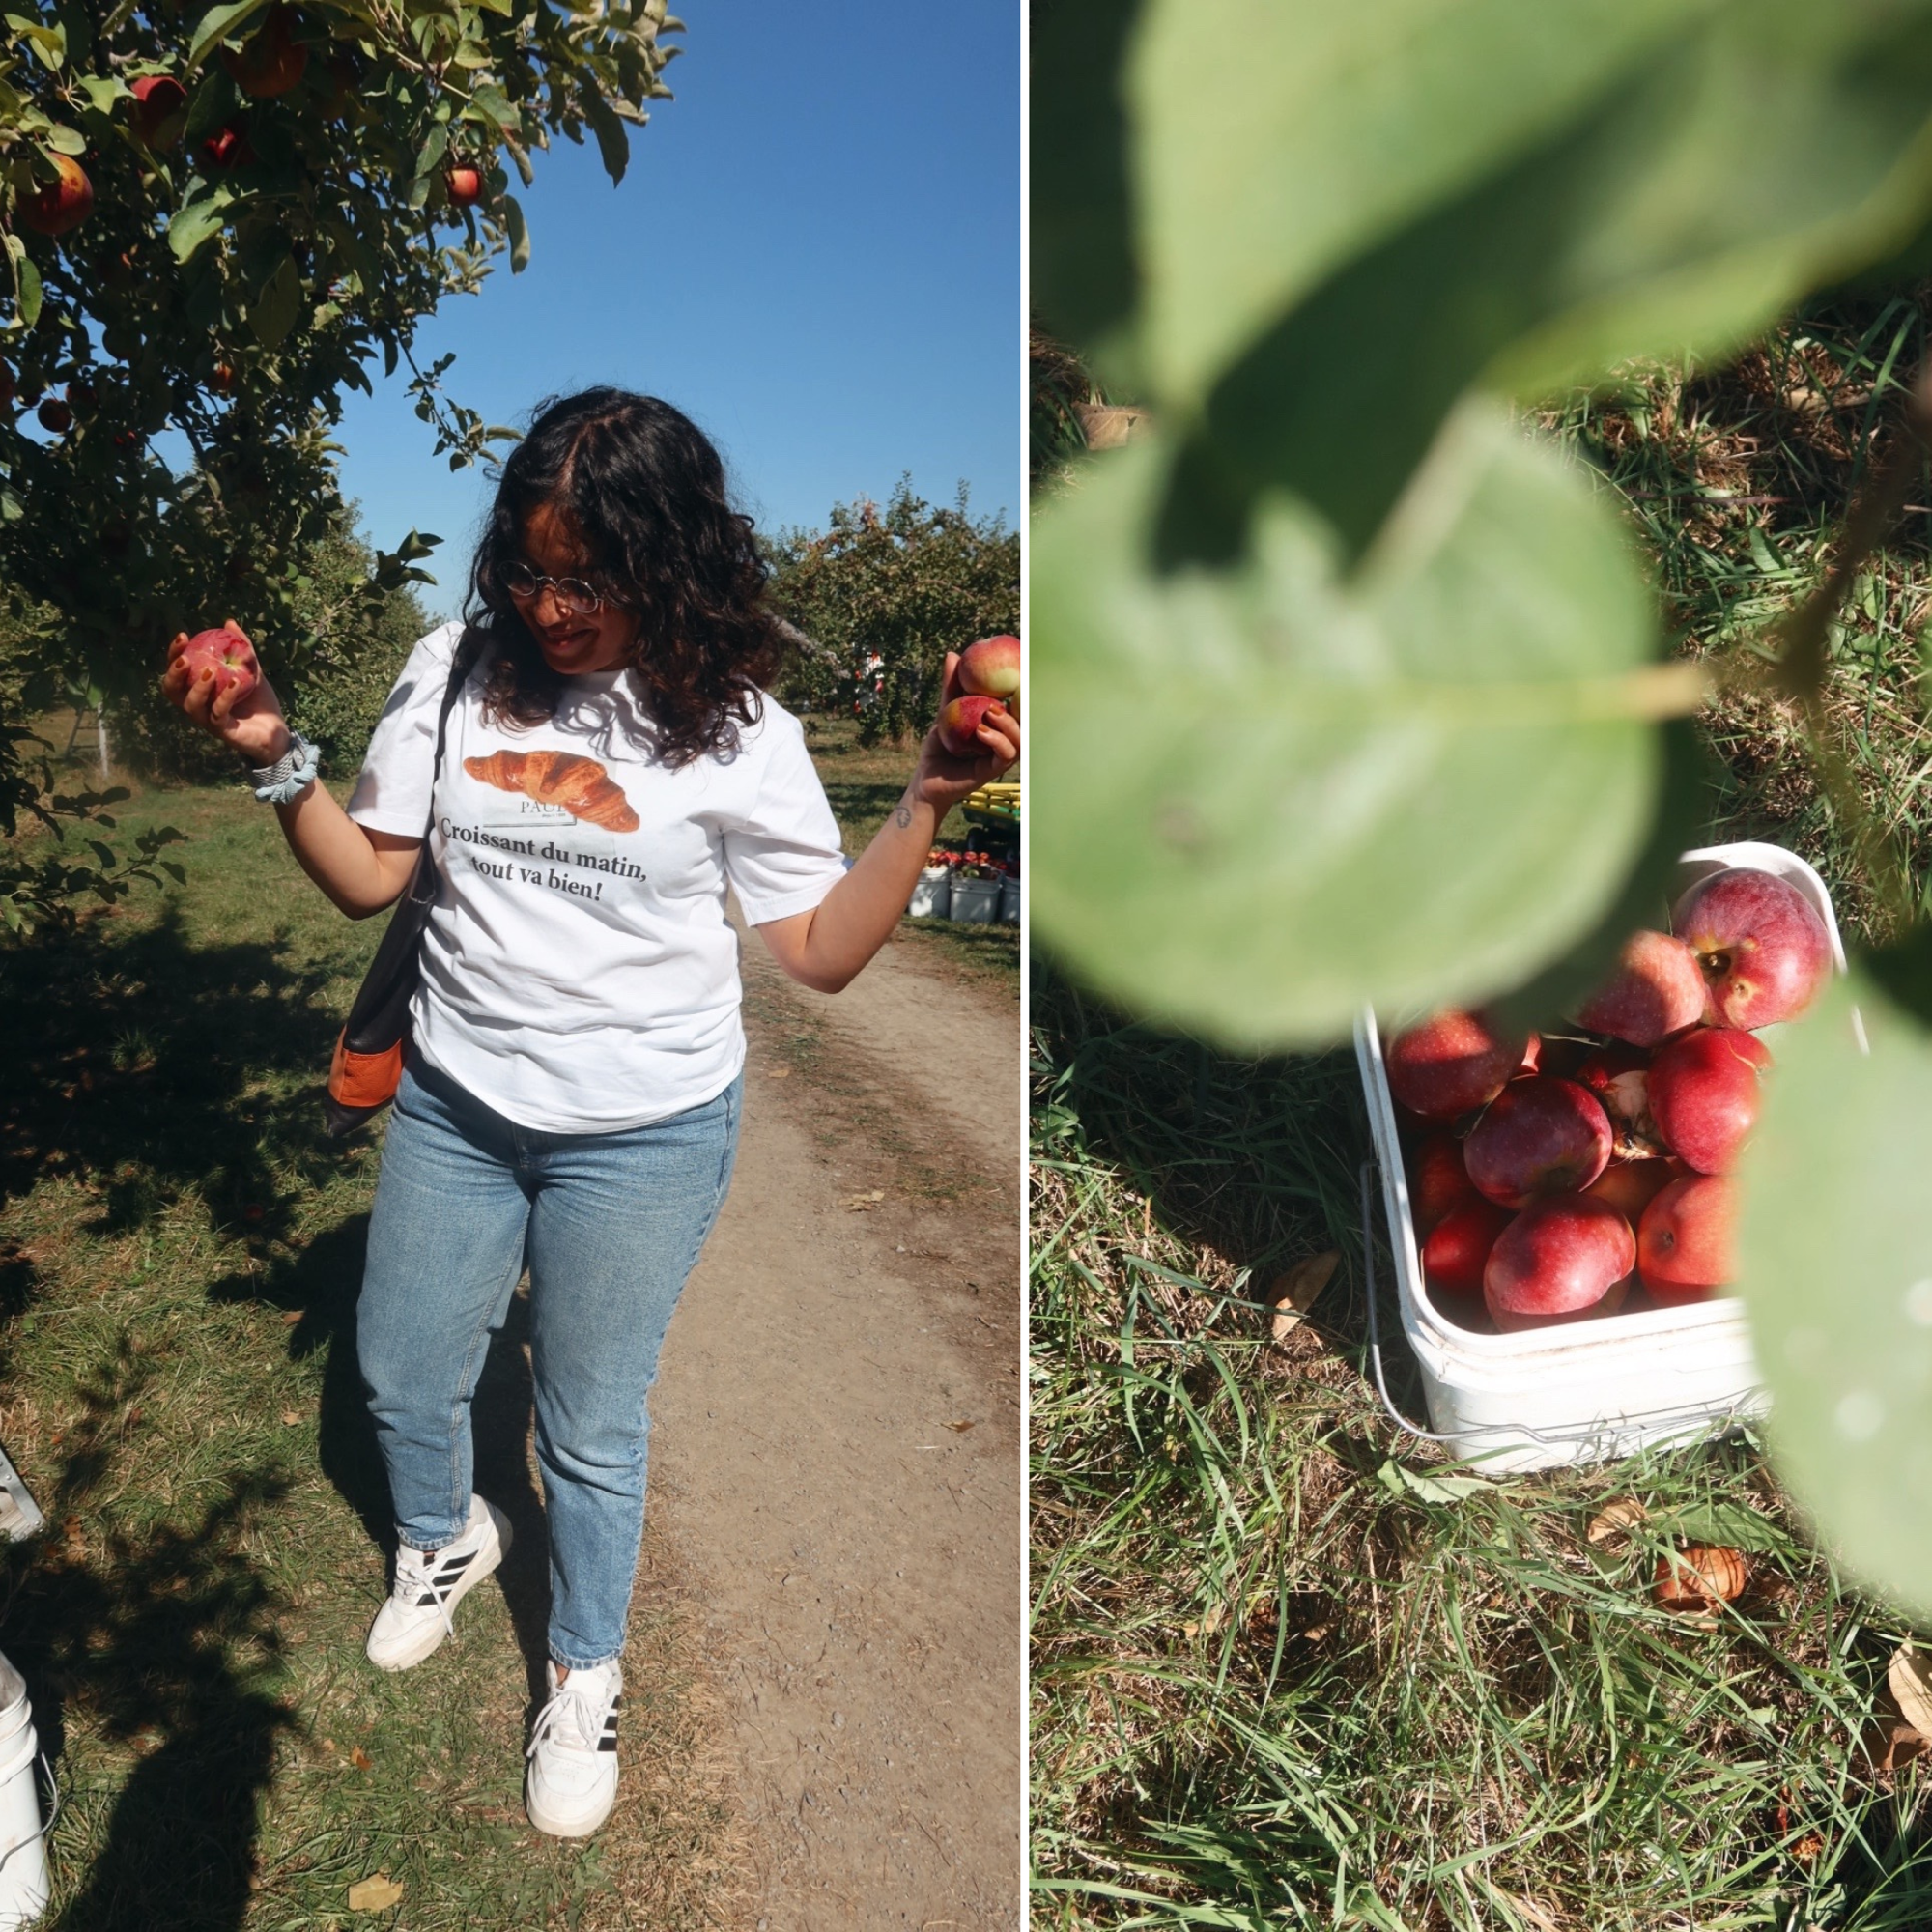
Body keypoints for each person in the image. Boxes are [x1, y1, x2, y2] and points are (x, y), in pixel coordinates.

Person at [161, 387, 1020, 1837]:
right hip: (456, 1097)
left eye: (591, 579)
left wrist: (929, 794)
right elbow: (373, 877)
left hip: (644, 1129)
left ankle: (584, 1666)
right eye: (531, 570)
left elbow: (813, 953)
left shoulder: (737, 734)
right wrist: (268, 751)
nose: (553, 608)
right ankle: (443, 1541)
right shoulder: (455, 670)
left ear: (667, 566)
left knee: (590, 1421)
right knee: (399, 1363)